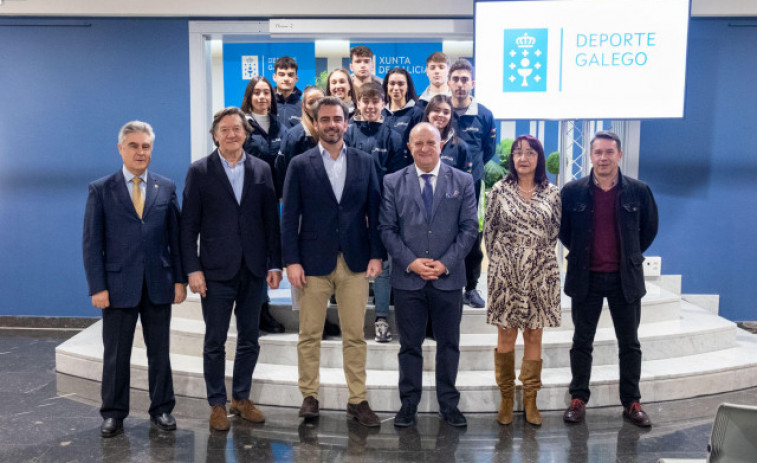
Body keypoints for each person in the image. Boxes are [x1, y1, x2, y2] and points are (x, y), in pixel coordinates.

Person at [281, 96, 384, 427]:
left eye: (337, 119)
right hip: (311, 263)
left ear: (346, 122)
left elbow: (375, 213)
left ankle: (357, 400)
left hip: (354, 261)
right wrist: (291, 261)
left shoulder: (365, 162)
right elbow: (289, 217)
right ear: (316, 123)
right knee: (309, 334)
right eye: (324, 119)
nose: (331, 125)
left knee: (355, 335)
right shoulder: (300, 164)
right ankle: (309, 397)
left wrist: (376, 254)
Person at [181, 107, 282, 431]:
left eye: (237, 128)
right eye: (224, 129)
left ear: (245, 132)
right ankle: (217, 404)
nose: (231, 134)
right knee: (215, 340)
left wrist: (274, 263)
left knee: (250, 339)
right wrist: (192, 270)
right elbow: (188, 227)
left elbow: (271, 223)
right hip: (214, 271)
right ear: (215, 135)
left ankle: (241, 397)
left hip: (253, 270)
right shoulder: (199, 171)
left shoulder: (262, 170)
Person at [83, 121, 186, 438]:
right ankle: (113, 413)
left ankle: (163, 408)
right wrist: (97, 287)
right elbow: (91, 243)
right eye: (134, 146)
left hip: (158, 283)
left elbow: (176, 239)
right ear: (120, 148)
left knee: (160, 351)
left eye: (146, 147)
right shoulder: (101, 189)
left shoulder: (165, 188)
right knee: (116, 354)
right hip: (116, 288)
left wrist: (179, 280)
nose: (140, 152)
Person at [379, 122, 478, 428]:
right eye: (418, 143)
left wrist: (445, 263)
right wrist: (412, 262)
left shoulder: (462, 180)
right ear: (409, 147)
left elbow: (469, 228)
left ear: (441, 144)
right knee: (410, 345)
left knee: (449, 344)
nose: (424, 148)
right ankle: (409, 403)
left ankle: (449, 404)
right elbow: (387, 229)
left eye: (430, 143)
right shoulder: (393, 181)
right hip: (409, 279)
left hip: (448, 278)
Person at [560, 130, 658, 428]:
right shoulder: (572, 191)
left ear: (619, 155)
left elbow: (649, 229)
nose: (603, 158)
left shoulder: (639, 191)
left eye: (609, 152)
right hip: (585, 278)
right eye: (598, 152)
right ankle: (578, 399)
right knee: (581, 342)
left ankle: (632, 401)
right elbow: (565, 232)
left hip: (624, 279)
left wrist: (628, 254)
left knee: (629, 343)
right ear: (590, 156)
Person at [484, 135, 561, 426]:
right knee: (506, 334)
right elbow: (489, 235)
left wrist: (533, 255)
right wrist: (507, 261)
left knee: (533, 334)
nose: (523, 157)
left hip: (541, 270)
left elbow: (553, 232)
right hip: (506, 270)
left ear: (539, 158)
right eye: (518, 152)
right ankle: (506, 397)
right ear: (512, 159)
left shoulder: (552, 193)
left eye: (529, 152)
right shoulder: (498, 191)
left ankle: (530, 399)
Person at [344, 81, 404, 343]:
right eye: (365, 101)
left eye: (375, 101)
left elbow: (397, 178)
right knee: (353, 264)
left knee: (383, 264)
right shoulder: (348, 133)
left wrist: (382, 210)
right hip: (351, 212)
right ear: (358, 103)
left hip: (383, 211)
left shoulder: (393, 137)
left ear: (383, 103)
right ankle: (353, 318)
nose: (370, 106)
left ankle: (381, 318)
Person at [240, 76, 288, 333]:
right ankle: (258, 309)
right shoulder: (242, 127)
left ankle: (266, 305)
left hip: (278, 201)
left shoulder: (281, 128)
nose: (262, 97)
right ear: (249, 97)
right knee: (256, 256)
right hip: (251, 203)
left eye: (266, 93)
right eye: (257, 93)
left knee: (274, 254)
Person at [448, 59, 497, 309]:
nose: (460, 84)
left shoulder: (485, 114)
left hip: (473, 187)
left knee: (472, 238)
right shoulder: (441, 110)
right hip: (442, 187)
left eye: (464, 79)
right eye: (455, 79)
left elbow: (488, 151)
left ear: (472, 83)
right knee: (443, 236)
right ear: (448, 83)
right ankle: (448, 285)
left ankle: (470, 287)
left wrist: (471, 172)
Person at [382, 67, 425, 169]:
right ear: (387, 86)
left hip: (408, 172)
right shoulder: (380, 114)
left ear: (408, 87)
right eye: (392, 83)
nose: (396, 88)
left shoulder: (417, 113)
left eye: (401, 84)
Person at [422, 94, 469, 173]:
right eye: (436, 110)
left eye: (446, 112)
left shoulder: (460, 147)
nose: (441, 115)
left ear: (450, 117)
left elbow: (464, 180)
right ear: (428, 113)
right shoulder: (416, 143)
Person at [272, 56, 303, 129]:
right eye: (281, 74)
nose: (286, 79)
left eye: (290, 75)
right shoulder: (266, 104)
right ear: (274, 77)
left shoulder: (304, 107)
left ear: (296, 78)